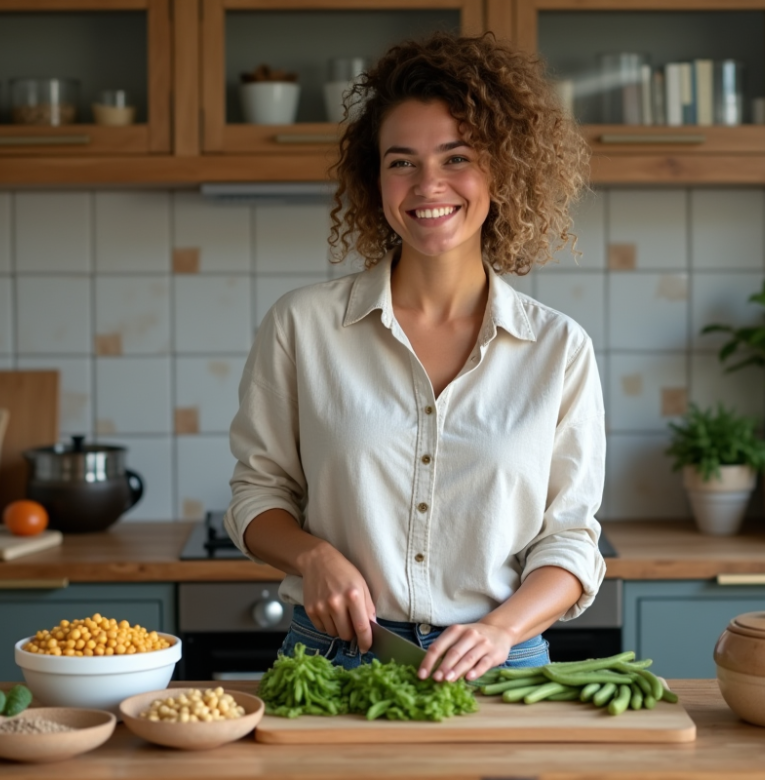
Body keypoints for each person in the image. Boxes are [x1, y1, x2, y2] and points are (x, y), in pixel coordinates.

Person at [225, 31, 605, 683]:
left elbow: (570, 540)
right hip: (335, 658)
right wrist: (313, 556)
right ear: (375, 180)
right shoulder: (303, 326)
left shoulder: (558, 348)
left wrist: (500, 629)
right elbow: (258, 495)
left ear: (501, 171)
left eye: (456, 157)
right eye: (401, 161)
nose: (428, 184)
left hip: (500, 665)